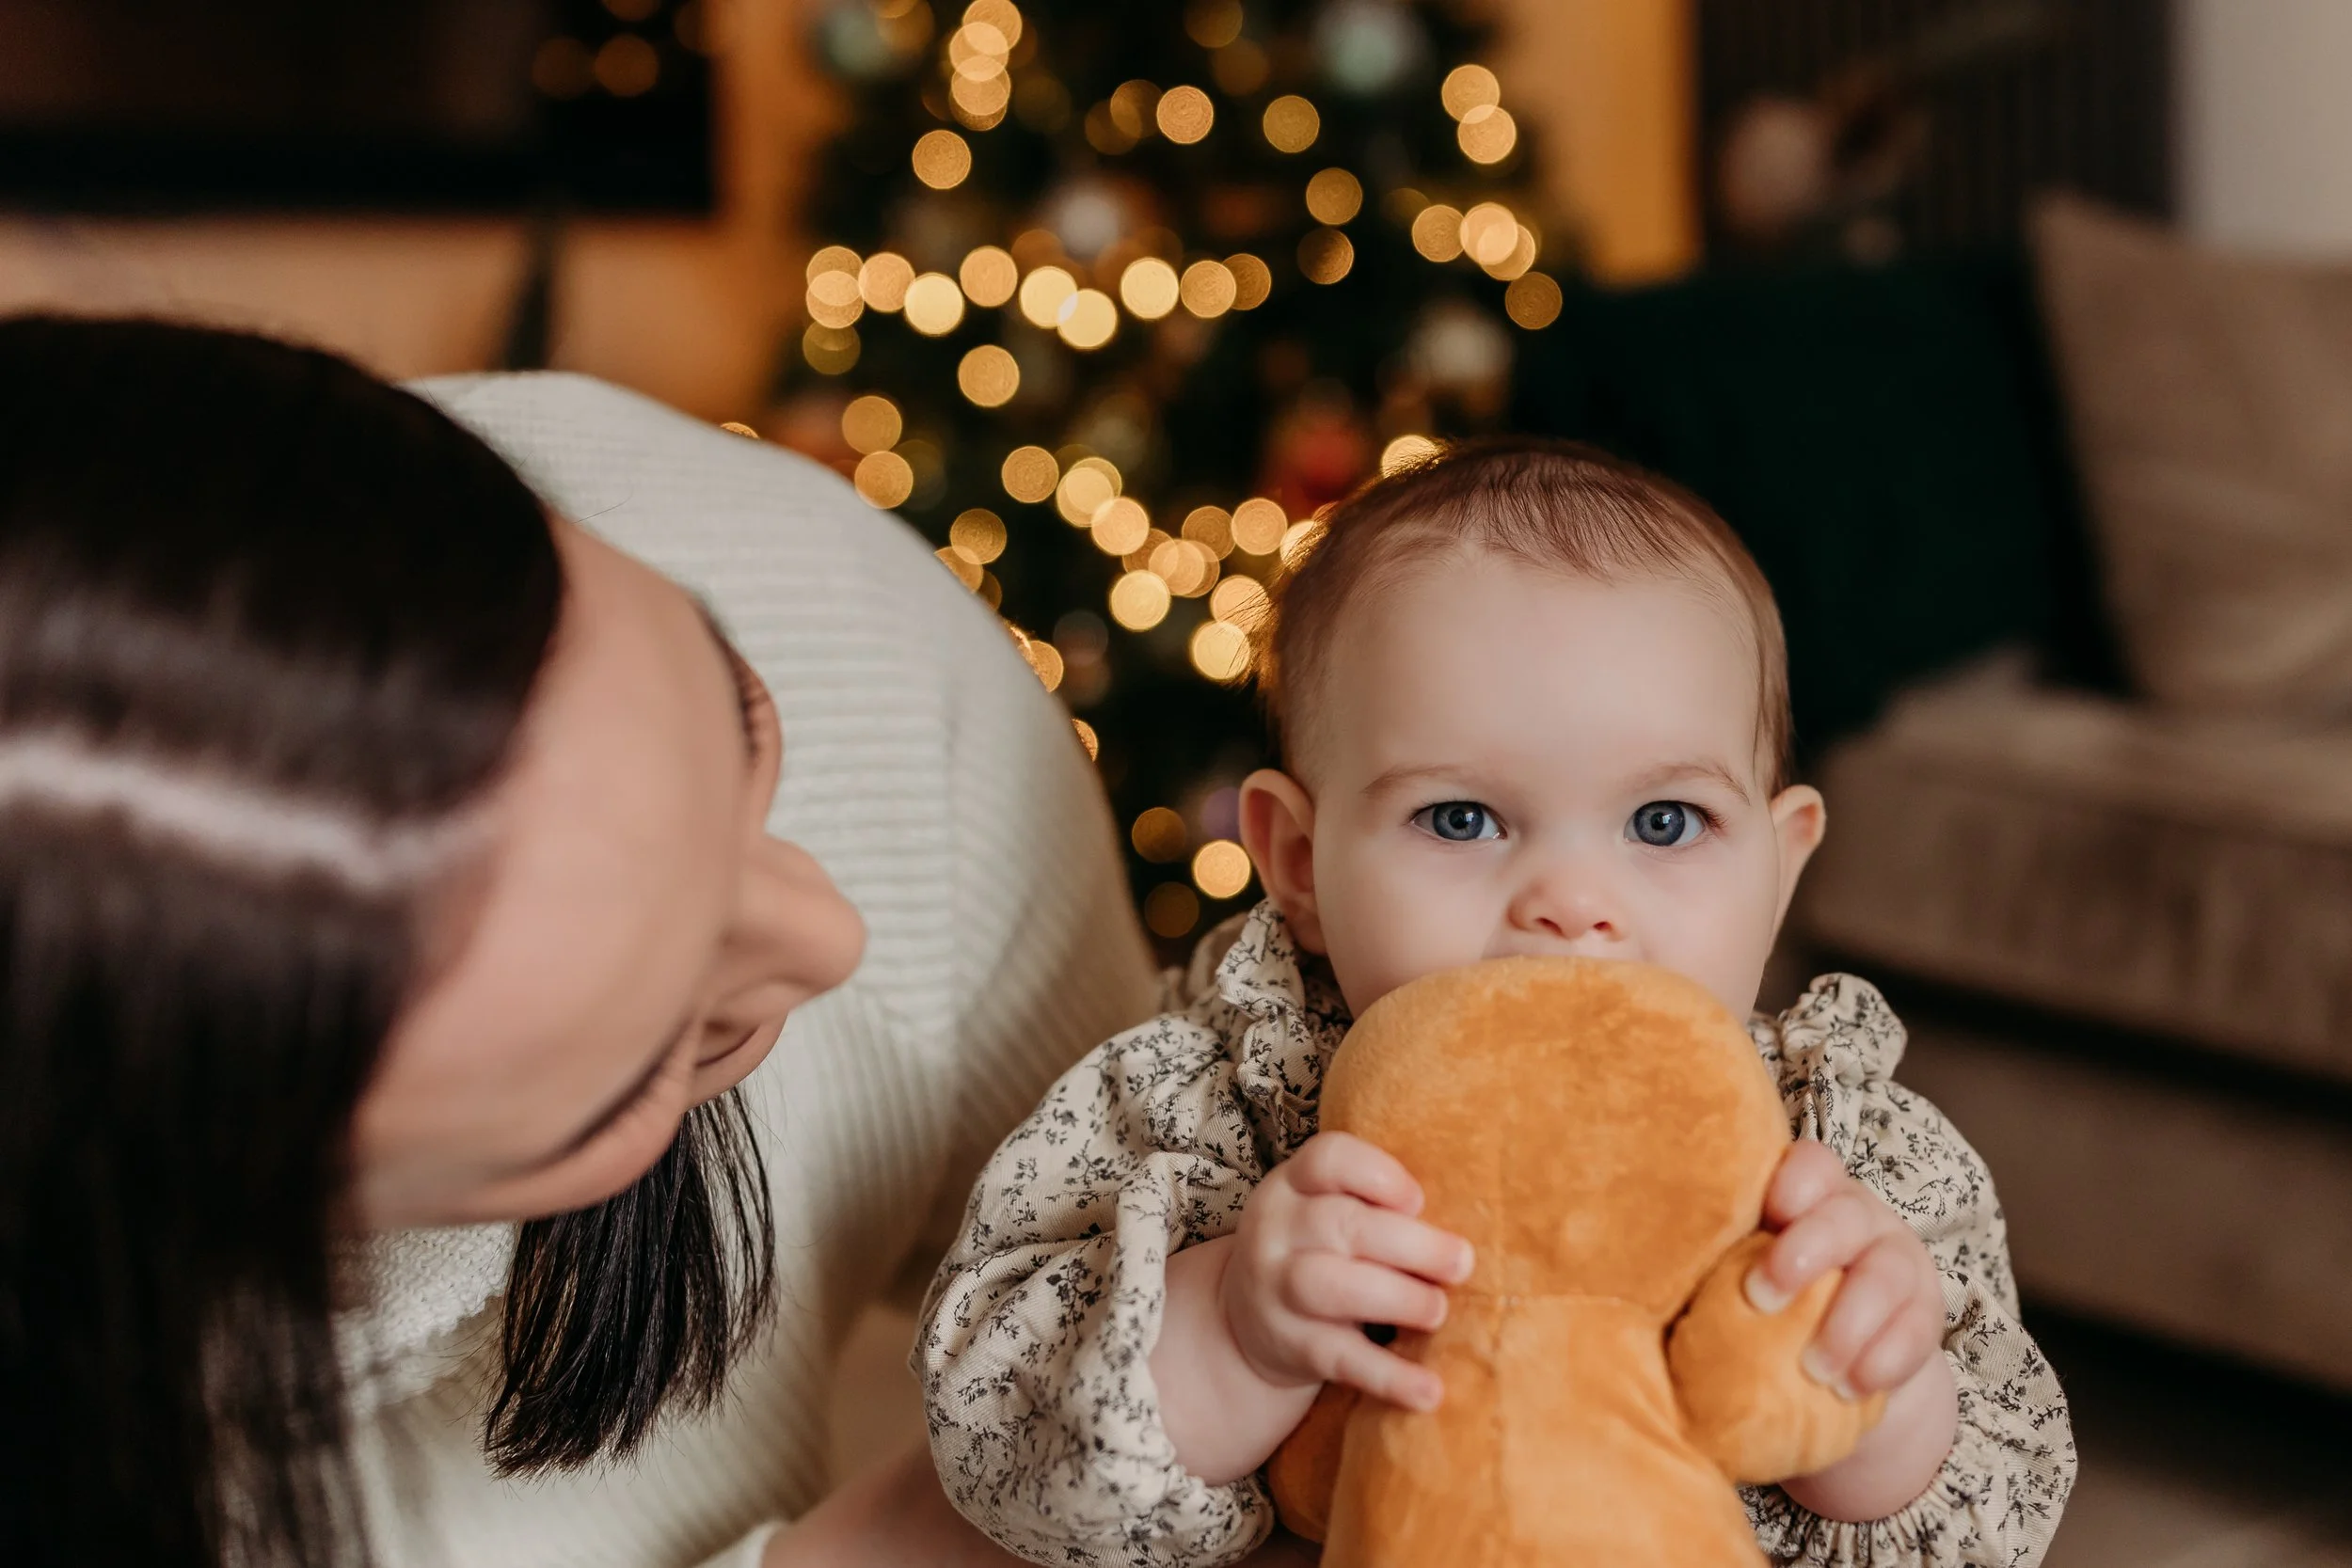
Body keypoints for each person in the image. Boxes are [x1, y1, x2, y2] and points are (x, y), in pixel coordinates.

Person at [0, 314, 1216, 1567]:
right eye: (639, 1066)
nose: (831, 933)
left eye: (738, 716)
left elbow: (1156, 1246)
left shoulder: (798, 588)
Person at [920, 439, 2077, 1567]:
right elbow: (1001, 1454)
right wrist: (1233, 1328)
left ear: (1778, 867)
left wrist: (1876, 1384)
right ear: (1298, 860)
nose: (1572, 906)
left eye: (1664, 822)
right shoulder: (1201, 1103)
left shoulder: (1843, 1149)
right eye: (1462, 818)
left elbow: (1995, 1515)